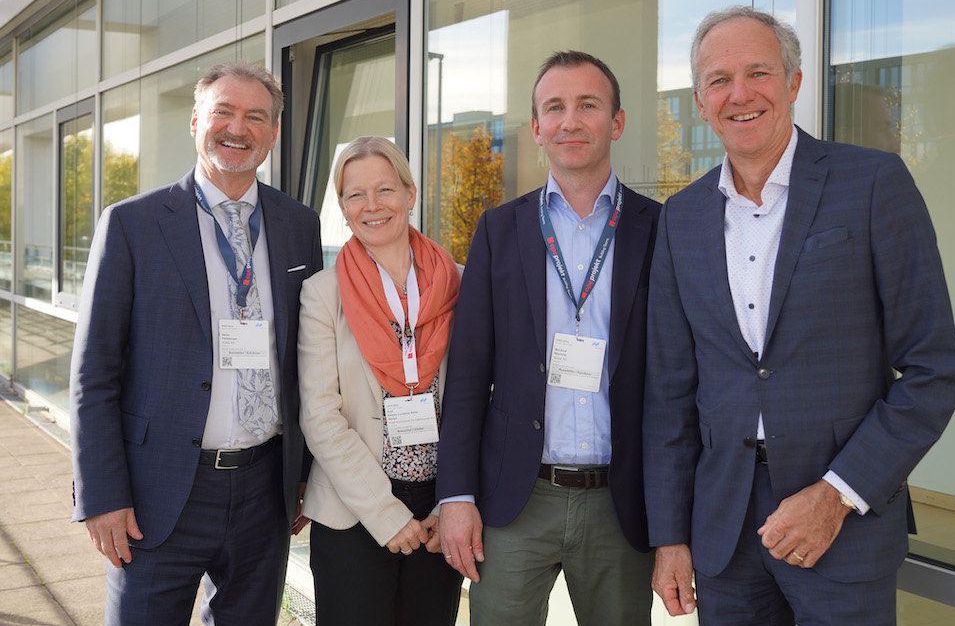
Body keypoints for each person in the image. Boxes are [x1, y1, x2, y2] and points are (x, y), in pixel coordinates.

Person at [643, 6, 955, 625]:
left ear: (792, 82)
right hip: (723, 532)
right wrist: (671, 535)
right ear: (700, 101)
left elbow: (933, 369)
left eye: (758, 72)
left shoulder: (872, 184)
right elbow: (669, 396)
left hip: (842, 525)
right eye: (718, 80)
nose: (740, 94)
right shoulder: (679, 219)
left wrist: (838, 495)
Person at [69, 61, 322, 624]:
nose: (239, 128)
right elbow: (95, 374)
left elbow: (304, 359)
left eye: (256, 116)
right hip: (158, 492)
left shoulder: (298, 225)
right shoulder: (131, 225)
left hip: (265, 491)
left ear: (274, 133)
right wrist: (102, 494)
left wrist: (302, 473)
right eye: (224, 112)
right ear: (194, 123)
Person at [436, 51, 660, 625]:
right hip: (516, 500)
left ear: (617, 121)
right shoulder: (499, 229)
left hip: (623, 501)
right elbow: (467, 375)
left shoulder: (660, 229)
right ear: (536, 127)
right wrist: (456, 495)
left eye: (588, 105)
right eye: (554, 107)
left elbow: (677, 380)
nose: (570, 121)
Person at [297, 135, 463, 625]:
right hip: (355, 510)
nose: (372, 206)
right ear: (343, 207)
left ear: (410, 193)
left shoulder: (460, 282)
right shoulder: (322, 295)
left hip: (440, 512)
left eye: (385, 190)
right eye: (355, 195)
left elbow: (479, 401)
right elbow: (321, 416)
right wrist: (384, 514)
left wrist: (455, 500)